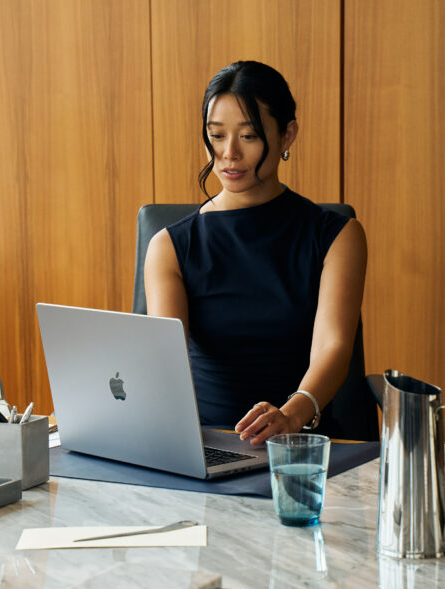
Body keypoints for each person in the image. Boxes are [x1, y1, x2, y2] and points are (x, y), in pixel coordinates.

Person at [144, 61, 368, 446]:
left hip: (300, 448)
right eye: (216, 136)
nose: (229, 154)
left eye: (248, 136)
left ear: (287, 135)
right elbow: (167, 365)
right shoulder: (169, 246)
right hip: (203, 446)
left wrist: (291, 414)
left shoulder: (337, 235)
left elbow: (333, 346)